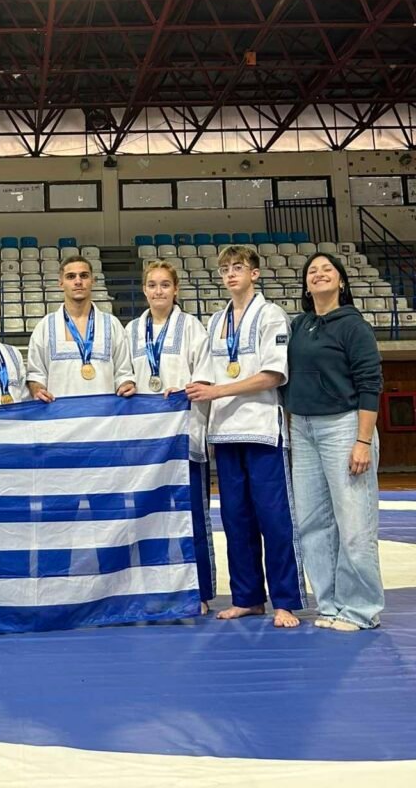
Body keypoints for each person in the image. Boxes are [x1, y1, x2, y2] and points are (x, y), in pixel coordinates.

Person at [186, 245, 305, 629]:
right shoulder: (215, 320)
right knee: (235, 520)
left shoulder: (271, 315)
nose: (231, 274)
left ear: (255, 273)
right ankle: (248, 598)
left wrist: (219, 391)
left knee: (274, 518)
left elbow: (273, 375)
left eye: (238, 267)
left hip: (262, 430)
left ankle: (285, 601)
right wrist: (200, 419)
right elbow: (204, 377)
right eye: (225, 269)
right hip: (224, 431)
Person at [285, 252, 384, 632]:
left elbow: (370, 384)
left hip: (343, 427)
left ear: (341, 281)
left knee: (355, 525)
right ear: (306, 285)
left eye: (327, 269)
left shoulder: (354, 326)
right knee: (312, 523)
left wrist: (362, 440)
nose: (319, 274)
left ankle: (361, 610)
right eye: (312, 271)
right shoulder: (299, 325)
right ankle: (330, 604)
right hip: (303, 429)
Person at [125, 261, 216, 613]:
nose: (158, 290)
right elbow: (123, 375)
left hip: (184, 437)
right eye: (152, 284)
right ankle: (153, 589)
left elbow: (205, 377)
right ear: (144, 290)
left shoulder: (192, 327)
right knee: (148, 519)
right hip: (145, 444)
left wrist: (186, 390)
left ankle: (200, 592)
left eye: (165, 284)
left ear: (176, 289)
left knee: (193, 518)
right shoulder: (132, 330)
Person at [26, 255, 135, 400]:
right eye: (71, 276)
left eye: (84, 276)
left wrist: (126, 384)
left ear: (92, 281)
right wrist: (37, 389)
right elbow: (36, 374)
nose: (78, 281)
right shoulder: (44, 327)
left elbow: (124, 372)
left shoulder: (112, 324)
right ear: (61, 283)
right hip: (60, 413)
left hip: (104, 412)